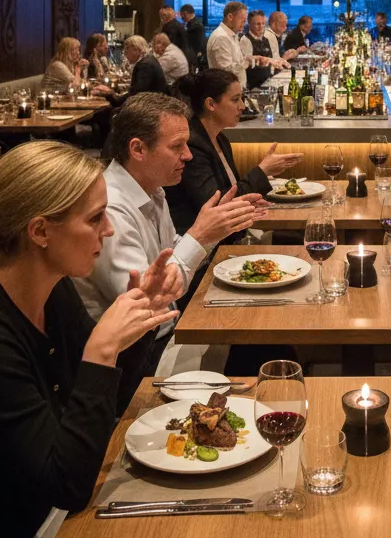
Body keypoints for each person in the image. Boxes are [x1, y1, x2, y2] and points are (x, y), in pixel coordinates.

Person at [0, 140, 183, 538]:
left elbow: (106, 404)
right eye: (96, 218)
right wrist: (101, 352)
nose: (109, 229)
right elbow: (66, 487)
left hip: (38, 514)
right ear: (40, 231)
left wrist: (138, 322)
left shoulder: (54, 291)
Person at [72, 93, 268, 370]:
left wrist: (214, 230)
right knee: (260, 354)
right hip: (134, 359)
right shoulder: (110, 207)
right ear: (138, 149)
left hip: (167, 333)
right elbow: (148, 301)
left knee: (264, 338)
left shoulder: (151, 187)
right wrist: (200, 235)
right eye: (177, 146)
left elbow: (170, 250)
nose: (188, 155)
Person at [166, 69, 303, 233]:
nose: (242, 106)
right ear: (211, 104)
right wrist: (262, 171)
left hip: (232, 234)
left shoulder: (220, 139)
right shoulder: (192, 146)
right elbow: (218, 207)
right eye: (235, 99)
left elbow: (232, 192)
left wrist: (251, 198)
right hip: (206, 243)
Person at [206, 0, 259, 87]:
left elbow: (236, 61)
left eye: (245, 20)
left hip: (235, 88)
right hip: (226, 90)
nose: (244, 23)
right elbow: (226, 69)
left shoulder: (231, 35)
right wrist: (249, 62)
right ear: (230, 17)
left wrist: (254, 59)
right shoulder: (221, 37)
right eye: (242, 19)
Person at [241, 9, 285, 89]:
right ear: (250, 24)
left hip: (269, 81)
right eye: (258, 24)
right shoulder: (245, 40)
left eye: (263, 23)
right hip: (254, 86)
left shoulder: (268, 38)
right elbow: (246, 65)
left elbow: (275, 59)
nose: (261, 26)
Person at [179, 4, 207, 69]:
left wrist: (198, 53)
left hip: (196, 56)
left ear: (187, 14)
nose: (181, 17)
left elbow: (200, 42)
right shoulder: (192, 23)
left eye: (183, 15)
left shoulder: (196, 26)